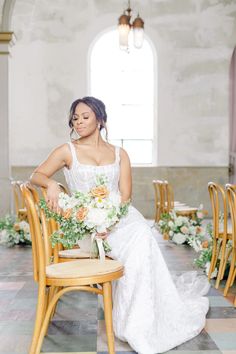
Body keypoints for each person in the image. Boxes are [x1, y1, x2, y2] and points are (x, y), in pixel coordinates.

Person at [30, 96, 210, 354]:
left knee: (141, 234)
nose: (78, 122)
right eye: (75, 118)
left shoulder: (119, 153)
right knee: (138, 240)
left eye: (85, 117)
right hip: (86, 223)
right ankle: (130, 323)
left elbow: (125, 196)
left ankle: (136, 324)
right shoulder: (66, 150)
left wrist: (110, 221)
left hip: (120, 217)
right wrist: (51, 184)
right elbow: (35, 175)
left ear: (100, 120)